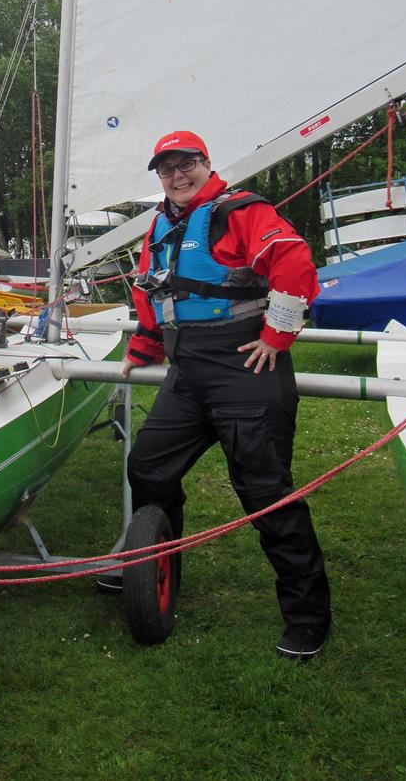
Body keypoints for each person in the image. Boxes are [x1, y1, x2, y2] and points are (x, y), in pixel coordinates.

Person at [121, 130, 331, 661]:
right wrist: (145, 348)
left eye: (186, 164)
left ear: (205, 163)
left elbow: (295, 264)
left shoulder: (239, 211)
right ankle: (159, 565)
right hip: (189, 371)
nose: (177, 175)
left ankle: (308, 617)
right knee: (148, 468)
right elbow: (151, 290)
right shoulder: (161, 225)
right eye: (166, 170)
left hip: (244, 367)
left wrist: (276, 336)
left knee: (265, 492)